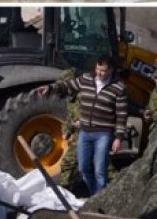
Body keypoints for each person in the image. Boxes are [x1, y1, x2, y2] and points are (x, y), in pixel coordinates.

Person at [37, 56, 127, 195]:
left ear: (111, 70)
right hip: (85, 132)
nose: (99, 73)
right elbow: (67, 85)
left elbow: (121, 115)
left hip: (103, 134)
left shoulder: (118, 88)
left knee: (100, 170)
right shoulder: (86, 79)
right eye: (97, 69)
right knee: (83, 168)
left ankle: (98, 199)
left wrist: (119, 138)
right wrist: (49, 88)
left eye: (103, 71)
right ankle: (95, 193)